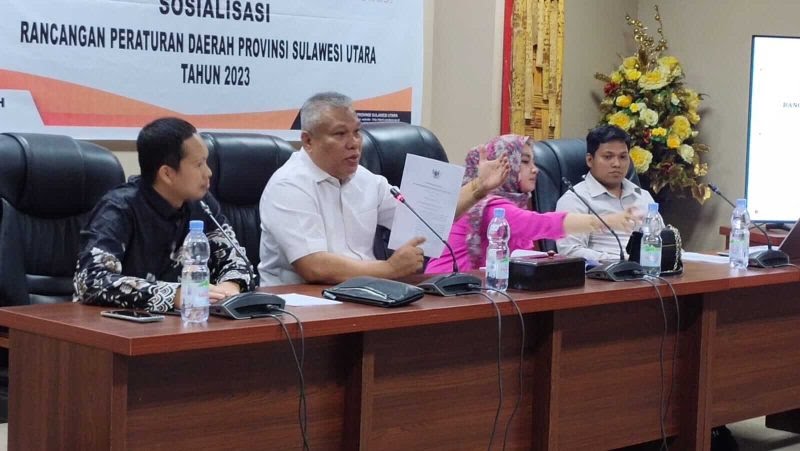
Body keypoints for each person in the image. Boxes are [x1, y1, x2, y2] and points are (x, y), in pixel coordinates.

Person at [258, 91, 510, 286]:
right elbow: (314, 266)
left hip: (362, 294)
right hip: (299, 307)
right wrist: (389, 269)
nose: (354, 143)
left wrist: (477, 188)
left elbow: (425, 218)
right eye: (340, 134)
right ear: (308, 141)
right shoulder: (288, 185)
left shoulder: (365, 180)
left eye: (357, 132)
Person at [73, 117, 255, 312]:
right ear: (167, 174)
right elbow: (91, 281)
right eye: (199, 164)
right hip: (118, 325)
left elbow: (238, 260)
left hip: (185, 321)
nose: (208, 172)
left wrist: (230, 287)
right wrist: (174, 295)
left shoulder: (201, 204)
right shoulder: (118, 209)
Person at [425, 135, 635, 273]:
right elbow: (540, 224)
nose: (535, 169)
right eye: (525, 162)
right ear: (504, 164)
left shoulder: (517, 203)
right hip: (444, 292)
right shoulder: (490, 207)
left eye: (533, 161)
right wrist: (607, 221)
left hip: (479, 289)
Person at [555, 125, 654, 261]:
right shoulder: (575, 199)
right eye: (608, 157)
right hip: (604, 272)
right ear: (590, 160)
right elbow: (571, 251)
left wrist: (678, 257)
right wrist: (623, 261)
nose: (617, 164)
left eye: (623, 157)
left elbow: (659, 240)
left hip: (649, 268)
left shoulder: (642, 196)